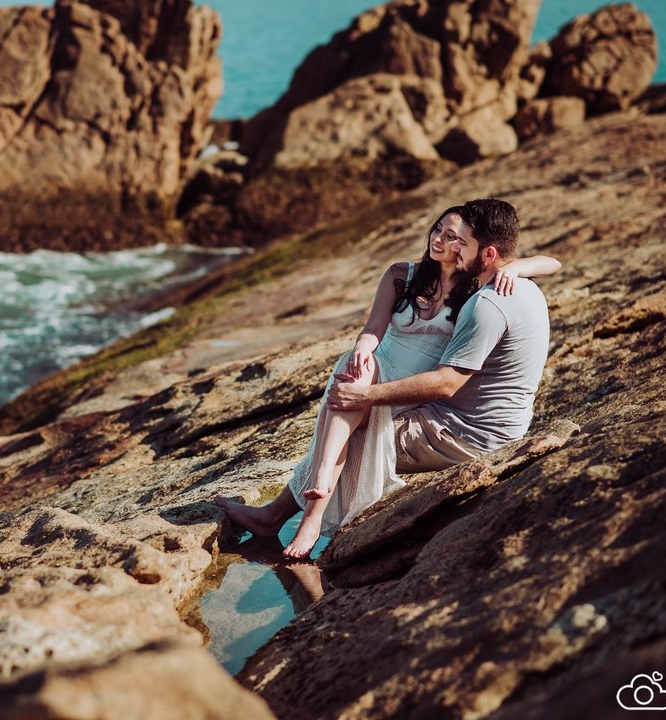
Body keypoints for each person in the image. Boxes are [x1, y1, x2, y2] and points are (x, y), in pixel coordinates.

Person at [216, 198, 557, 558]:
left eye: (462, 242)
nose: (450, 246)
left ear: (487, 255)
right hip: (453, 411)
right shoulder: (514, 288)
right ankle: (284, 514)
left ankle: (322, 523)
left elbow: (446, 383)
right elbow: (375, 332)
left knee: (357, 434)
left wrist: (365, 397)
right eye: (443, 233)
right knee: (351, 388)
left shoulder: (484, 300)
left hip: (465, 428)